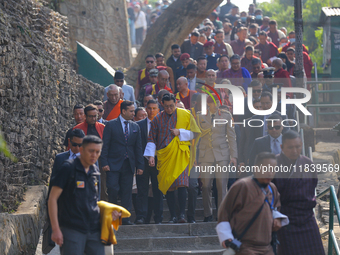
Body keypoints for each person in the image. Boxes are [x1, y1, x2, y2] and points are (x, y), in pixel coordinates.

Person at [48, 135, 122, 255]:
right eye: (91, 151)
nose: (94, 155)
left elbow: (92, 201)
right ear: (82, 150)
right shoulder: (68, 168)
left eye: (98, 152)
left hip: (94, 229)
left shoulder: (95, 171)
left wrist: (107, 214)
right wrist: (55, 229)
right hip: (72, 228)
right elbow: (52, 198)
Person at [216, 152, 288, 255]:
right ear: (256, 168)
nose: (270, 173)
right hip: (245, 247)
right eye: (266, 169)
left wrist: (277, 219)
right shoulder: (241, 186)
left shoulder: (272, 188)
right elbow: (224, 213)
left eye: (273, 169)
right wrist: (227, 237)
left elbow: (275, 208)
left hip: (267, 247)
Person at [144, 94, 201, 223]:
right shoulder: (157, 119)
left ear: (175, 103)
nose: (169, 109)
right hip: (164, 156)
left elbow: (195, 133)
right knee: (169, 185)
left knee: (181, 184)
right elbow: (151, 138)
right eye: (166, 106)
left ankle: (181, 215)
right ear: (162, 105)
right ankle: (173, 215)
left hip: (181, 153)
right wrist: (151, 156)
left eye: (171, 106)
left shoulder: (185, 114)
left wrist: (180, 132)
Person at [272, 131, 325, 255]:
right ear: (282, 147)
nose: (295, 150)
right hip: (286, 219)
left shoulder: (308, 164)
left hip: (307, 218)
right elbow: (267, 193)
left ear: (302, 145)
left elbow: (313, 186)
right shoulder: (273, 164)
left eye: (298, 146)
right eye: (290, 147)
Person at [100, 101, 144, 225]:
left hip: (128, 164)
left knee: (126, 191)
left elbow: (138, 148)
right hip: (113, 164)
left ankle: (125, 218)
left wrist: (140, 165)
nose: (133, 113)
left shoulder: (135, 126)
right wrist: (104, 162)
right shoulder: (111, 125)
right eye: (131, 111)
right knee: (113, 189)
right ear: (123, 111)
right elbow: (105, 145)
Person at [196, 94, 237, 222]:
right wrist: (194, 157)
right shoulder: (200, 116)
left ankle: (222, 215)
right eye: (213, 102)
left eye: (218, 102)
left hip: (222, 154)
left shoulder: (226, 115)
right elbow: (196, 137)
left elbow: (231, 136)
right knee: (206, 185)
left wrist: (234, 156)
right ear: (208, 103)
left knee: (221, 185)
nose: (217, 105)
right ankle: (208, 214)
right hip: (205, 154)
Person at [135, 99, 163, 224]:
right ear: (146, 109)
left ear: (158, 110)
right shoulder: (139, 125)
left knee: (158, 190)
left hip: (159, 162)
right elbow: (136, 145)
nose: (152, 111)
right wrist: (139, 162)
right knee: (142, 190)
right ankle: (141, 216)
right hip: (143, 162)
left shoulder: (163, 124)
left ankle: (158, 217)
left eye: (154, 108)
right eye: (149, 108)